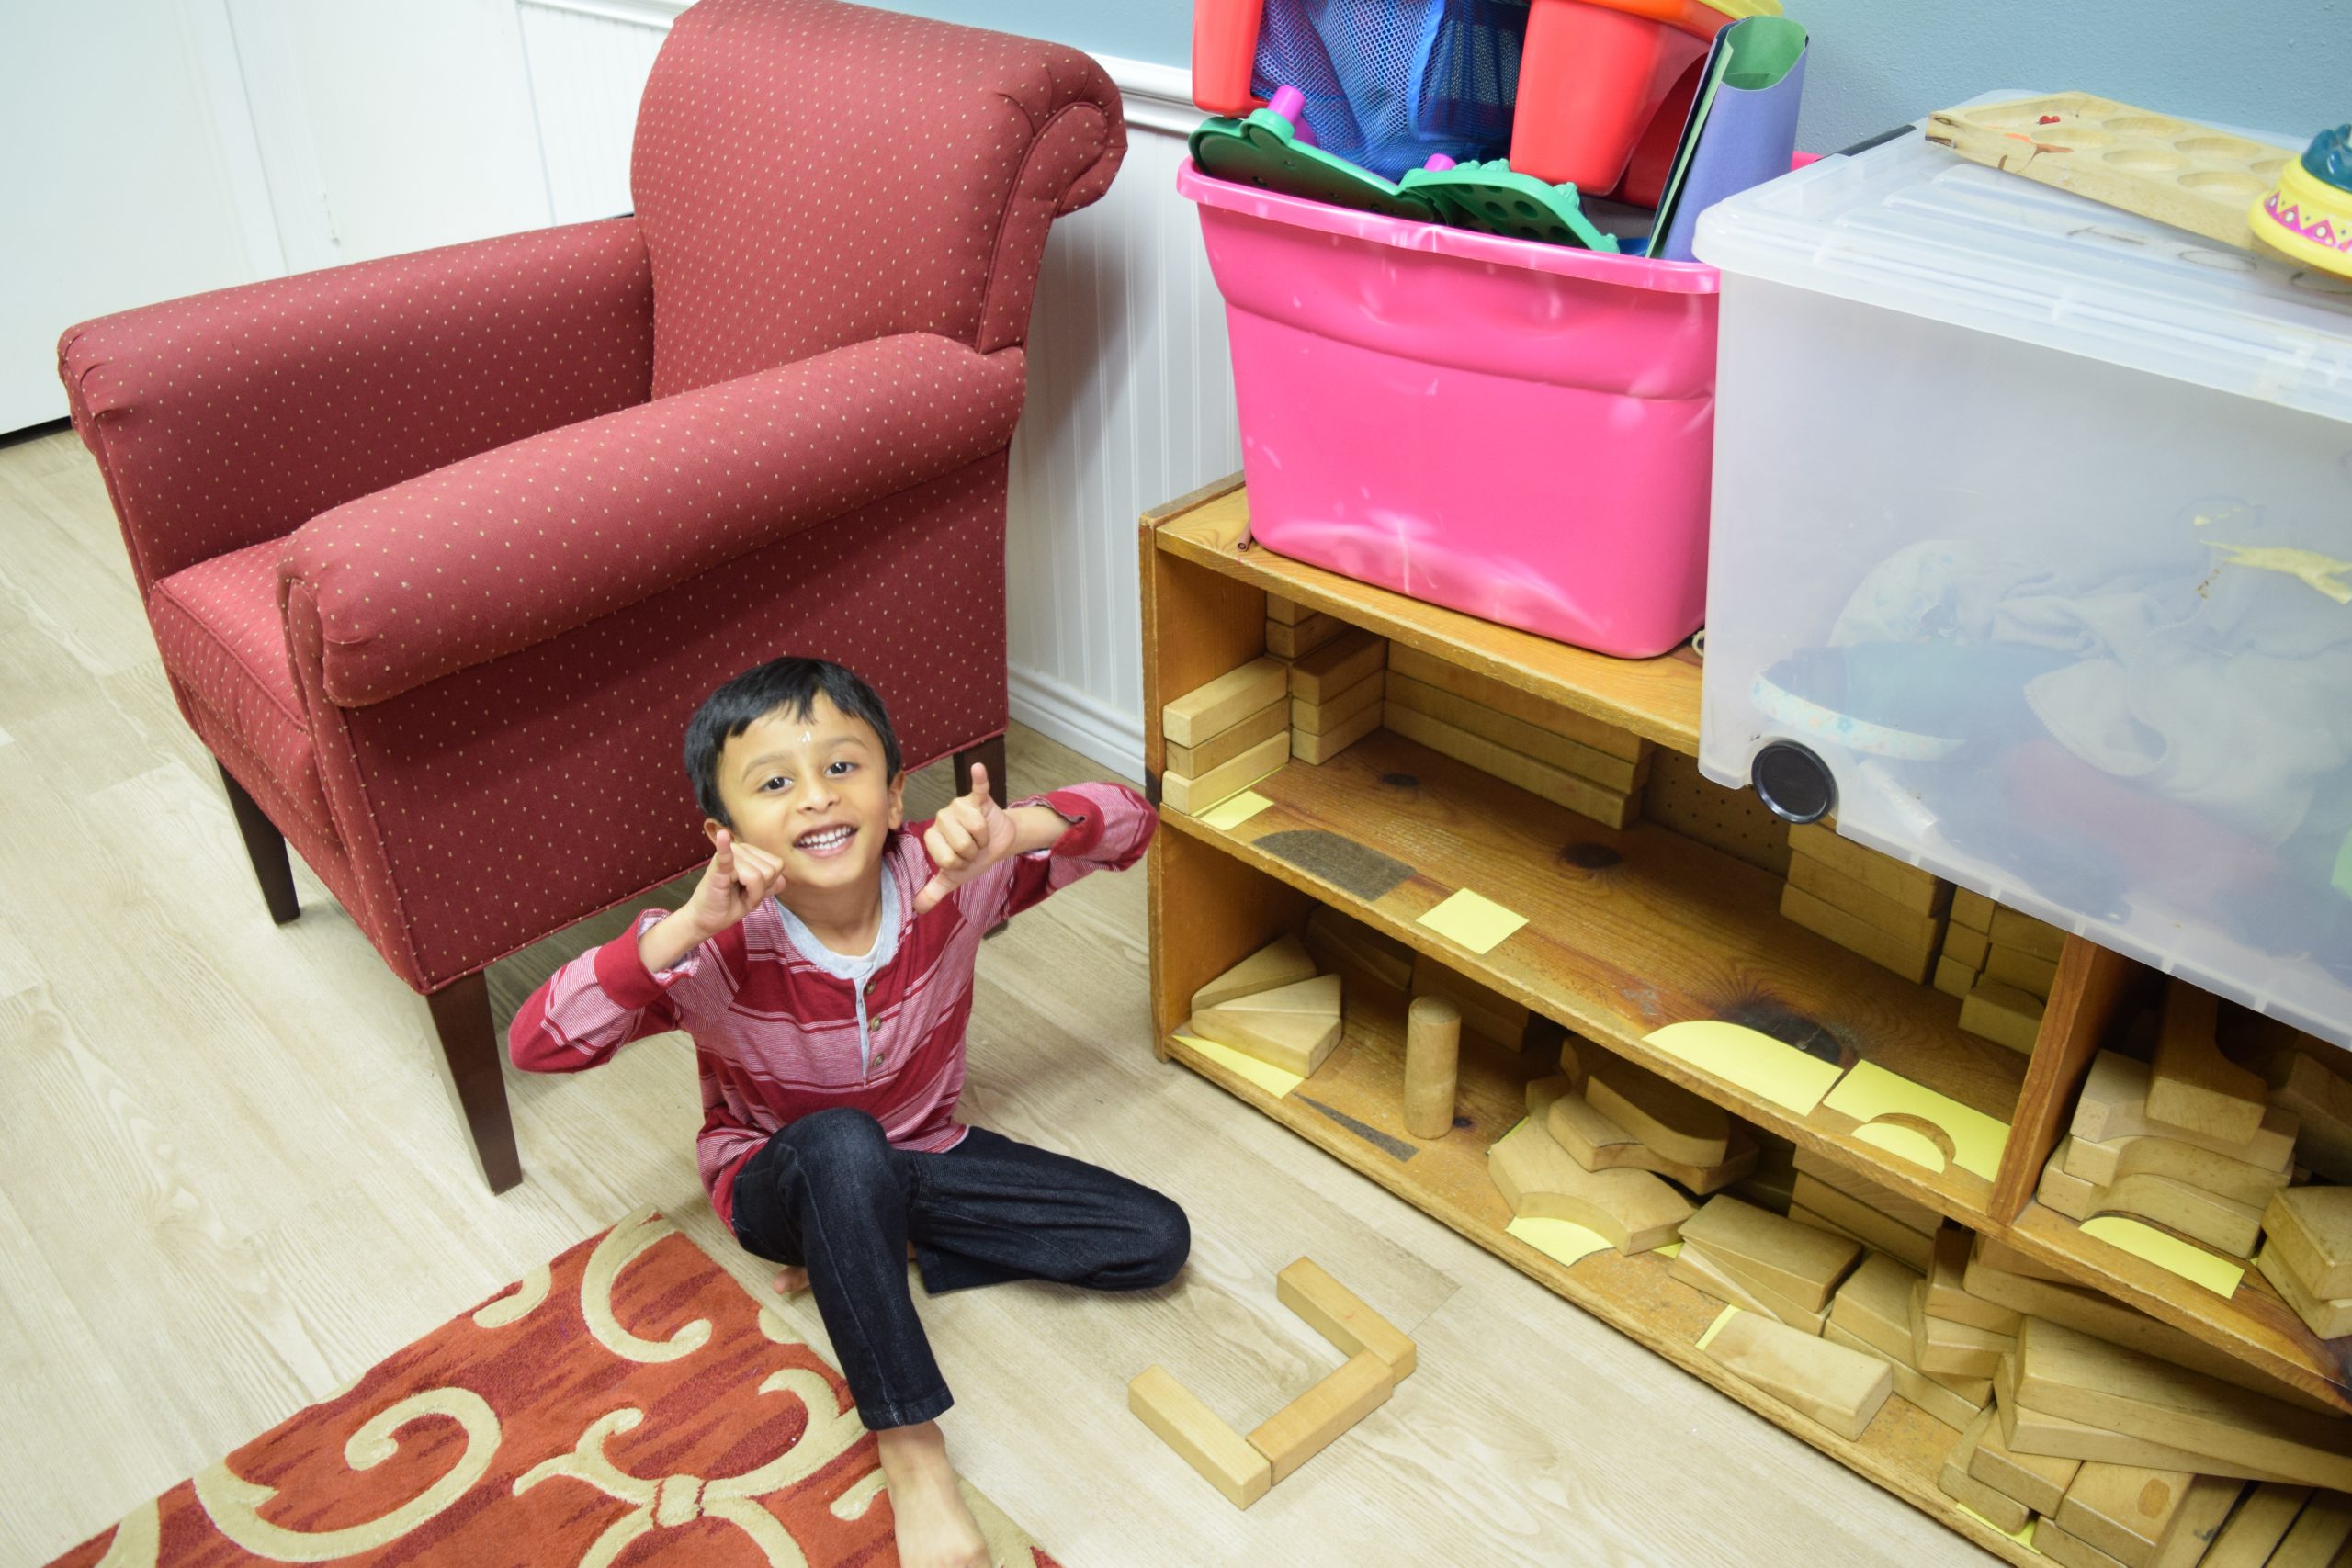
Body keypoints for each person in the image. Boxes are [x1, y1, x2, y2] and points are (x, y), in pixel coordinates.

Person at [511, 656, 1187, 1568]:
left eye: (841, 766)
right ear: (724, 835)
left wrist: (1016, 829)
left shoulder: (954, 876)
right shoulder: (716, 949)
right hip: (778, 1179)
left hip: (922, 1151)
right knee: (841, 1145)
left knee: (1153, 1238)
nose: (817, 796)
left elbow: (1132, 822)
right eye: (774, 784)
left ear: (896, 793)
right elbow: (539, 1044)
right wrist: (682, 928)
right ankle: (913, 1453)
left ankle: (865, 1239)